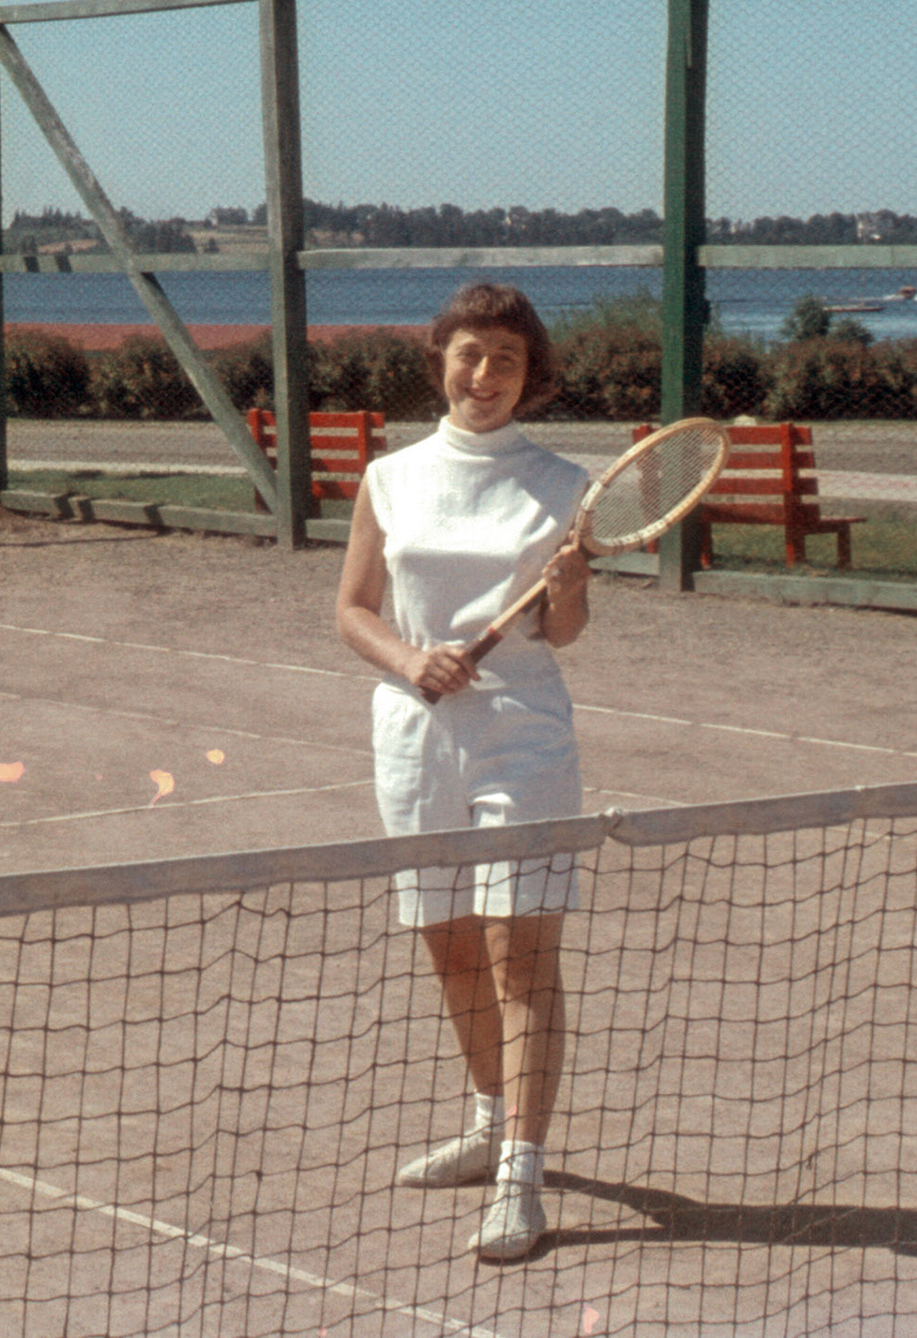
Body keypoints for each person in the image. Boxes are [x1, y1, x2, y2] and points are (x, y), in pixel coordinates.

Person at [336, 283, 591, 1261]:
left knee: (519, 952)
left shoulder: (563, 485)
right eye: (469, 354)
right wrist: (410, 660)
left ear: (531, 377)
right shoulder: (390, 477)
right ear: (440, 360)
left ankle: (521, 1174)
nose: (484, 375)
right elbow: (353, 608)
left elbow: (560, 630)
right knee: (447, 944)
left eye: (506, 360)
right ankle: (489, 1124)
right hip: (414, 734)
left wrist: (569, 590)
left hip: (524, 731)